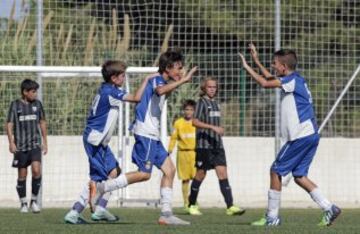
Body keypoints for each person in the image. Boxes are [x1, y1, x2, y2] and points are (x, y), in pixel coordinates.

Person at [89, 50, 198, 225]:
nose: (181, 71)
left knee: (169, 170)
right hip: (145, 132)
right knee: (144, 174)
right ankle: (102, 187)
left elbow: (163, 93)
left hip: (152, 135)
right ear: (167, 68)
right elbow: (160, 90)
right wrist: (183, 80)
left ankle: (166, 213)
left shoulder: (163, 80)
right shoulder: (157, 79)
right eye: (178, 68)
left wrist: (177, 81)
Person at [239, 43, 341, 226]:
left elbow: (264, 82)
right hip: (310, 135)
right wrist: (256, 61)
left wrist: (247, 67)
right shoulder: (294, 79)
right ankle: (329, 208)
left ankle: (272, 217)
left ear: (283, 67)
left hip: (300, 136)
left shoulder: (292, 81)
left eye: (274, 63)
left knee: (275, 171)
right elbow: (270, 78)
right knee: (299, 175)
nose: (272, 66)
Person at [64, 60, 154, 224]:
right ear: (114, 78)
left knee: (115, 172)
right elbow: (136, 98)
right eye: (122, 75)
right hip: (95, 140)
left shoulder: (108, 89)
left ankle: (101, 209)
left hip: (99, 141)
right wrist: (147, 79)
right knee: (98, 180)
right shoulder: (111, 93)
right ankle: (74, 212)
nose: (124, 78)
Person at [186, 77, 245, 216]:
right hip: (204, 146)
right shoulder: (201, 102)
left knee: (223, 174)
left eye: (214, 87)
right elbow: (194, 121)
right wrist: (212, 127)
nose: (212, 89)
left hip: (217, 145)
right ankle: (191, 204)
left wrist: (218, 130)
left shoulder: (216, 104)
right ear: (204, 88)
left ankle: (230, 206)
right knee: (200, 174)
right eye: (209, 87)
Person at [6, 79, 48, 213]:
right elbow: (9, 124)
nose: (35, 94)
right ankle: (23, 203)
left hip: (35, 144)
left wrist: (45, 141)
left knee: (36, 170)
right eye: (33, 92)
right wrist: (11, 142)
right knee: (22, 175)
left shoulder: (37, 104)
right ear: (25, 92)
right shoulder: (15, 105)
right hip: (21, 146)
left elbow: (42, 122)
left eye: (36, 91)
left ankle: (34, 201)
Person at [168, 99, 197, 209]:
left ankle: (193, 200)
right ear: (183, 110)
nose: (188, 112)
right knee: (185, 179)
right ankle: (186, 202)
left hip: (195, 153)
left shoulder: (197, 122)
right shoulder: (178, 123)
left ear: (194, 111)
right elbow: (173, 138)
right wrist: (170, 149)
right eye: (186, 109)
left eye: (191, 110)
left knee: (197, 178)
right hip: (183, 154)